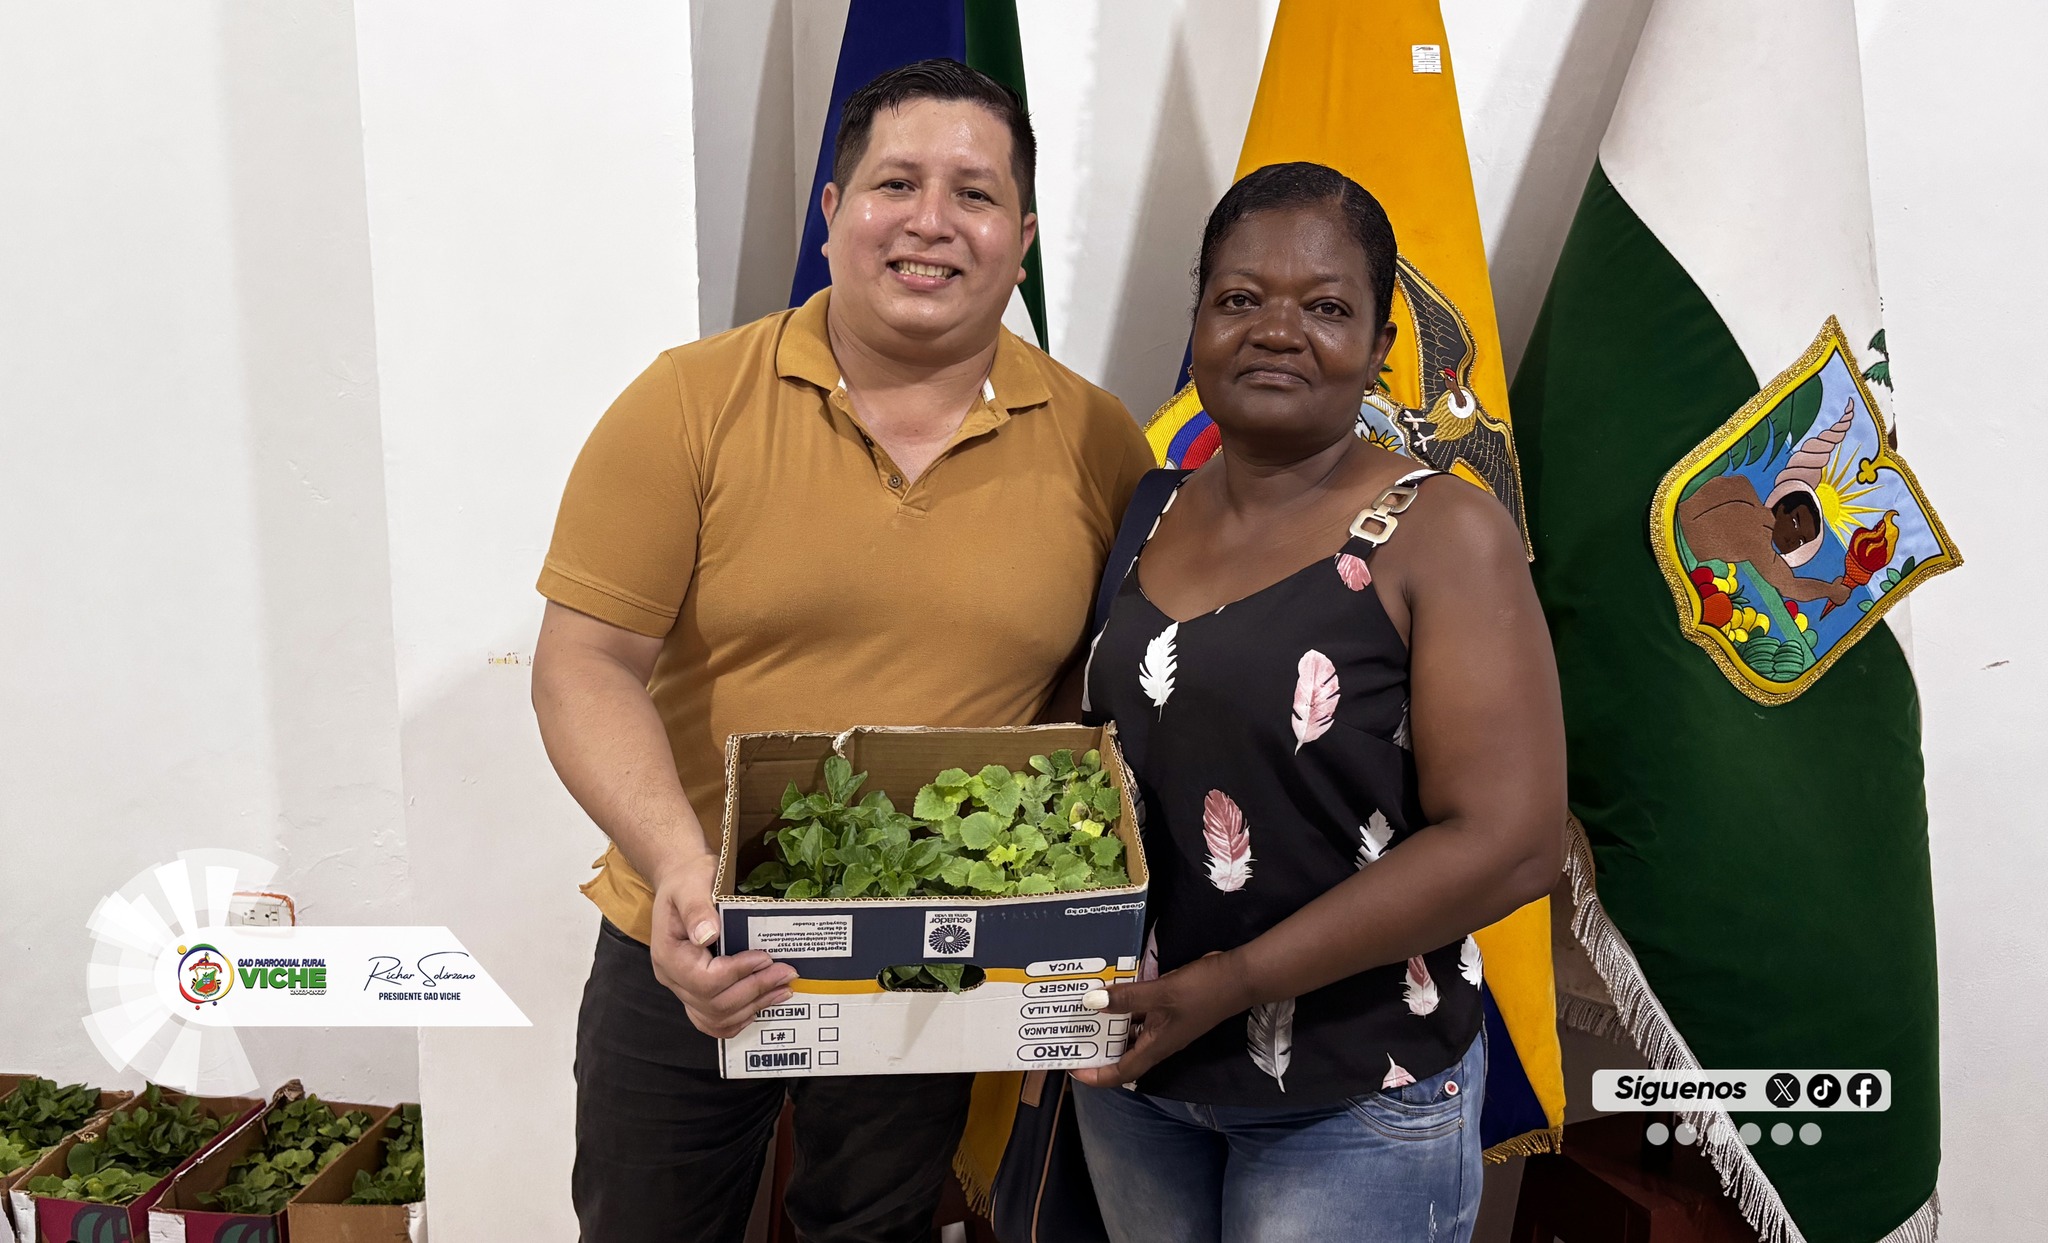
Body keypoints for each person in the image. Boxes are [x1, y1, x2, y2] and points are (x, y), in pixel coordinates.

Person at [531, 59, 1154, 1243]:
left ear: (1020, 240)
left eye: (974, 194)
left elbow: (1111, 692)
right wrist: (681, 872)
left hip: (931, 948)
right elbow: (584, 663)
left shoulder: (1096, 439)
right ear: (832, 212)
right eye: (895, 183)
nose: (930, 221)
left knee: (873, 1230)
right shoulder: (686, 404)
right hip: (689, 940)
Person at [1071, 162, 1566, 1243]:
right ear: (1198, 320)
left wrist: (1232, 981)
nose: (1276, 331)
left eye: (1326, 307)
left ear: (1382, 343)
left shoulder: (1442, 533)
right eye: (1239, 297)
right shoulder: (1147, 508)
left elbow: (1513, 845)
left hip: (1353, 1092)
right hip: (1137, 1073)